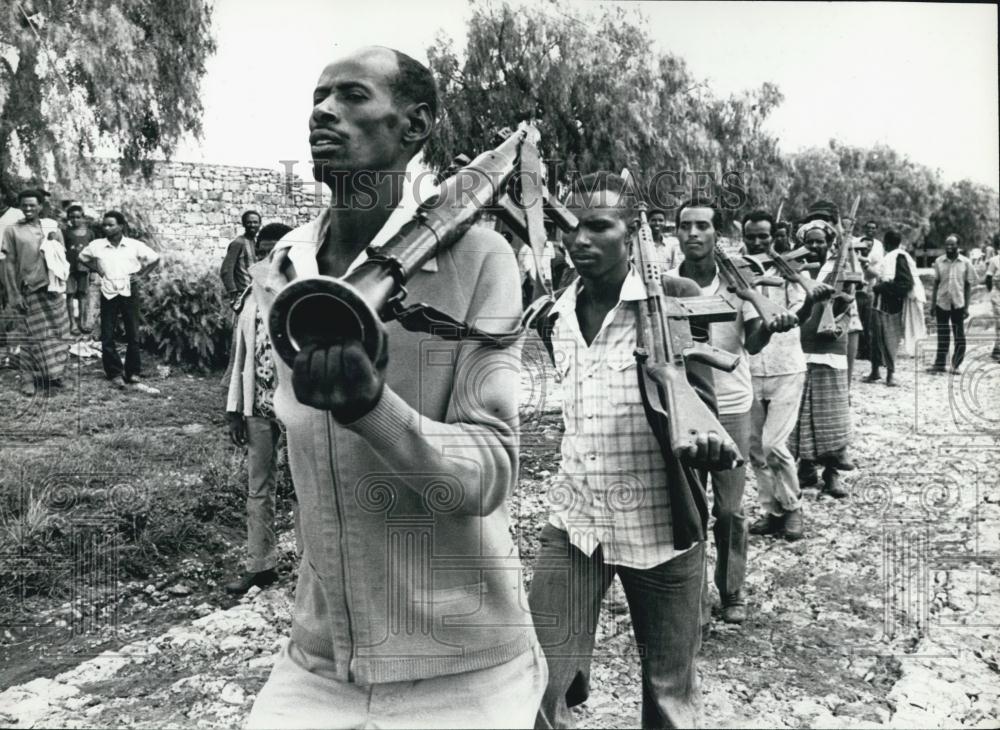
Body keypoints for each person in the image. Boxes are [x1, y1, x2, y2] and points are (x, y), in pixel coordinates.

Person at [244, 47, 545, 729]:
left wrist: (371, 408)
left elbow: (489, 471)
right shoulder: (285, 265)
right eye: (318, 97)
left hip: (461, 670)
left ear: (415, 126)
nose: (323, 110)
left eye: (351, 96)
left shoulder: (479, 260)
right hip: (320, 662)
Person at [528, 172, 739, 729]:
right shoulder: (555, 314)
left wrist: (707, 448)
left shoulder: (672, 303)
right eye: (568, 227)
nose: (579, 240)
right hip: (575, 523)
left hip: (661, 525)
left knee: (669, 690)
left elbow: (703, 407)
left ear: (632, 234)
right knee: (537, 681)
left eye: (598, 226)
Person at [668, 199, 798, 626]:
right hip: (684, 406)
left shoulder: (735, 281)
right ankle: (693, 594)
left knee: (728, 508)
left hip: (733, 406)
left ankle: (732, 589)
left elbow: (754, 343)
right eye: (685, 226)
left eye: (702, 226)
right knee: (689, 507)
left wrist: (769, 323)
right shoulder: (665, 284)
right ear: (677, 233)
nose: (693, 234)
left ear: (716, 234)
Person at [225, 222, 297, 595]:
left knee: (304, 488)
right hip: (258, 403)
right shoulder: (251, 294)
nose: (270, 255)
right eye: (263, 248)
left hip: (298, 407)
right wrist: (235, 408)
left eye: (277, 248)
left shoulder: (302, 289)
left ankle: (314, 569)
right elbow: (241, 355)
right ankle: (261, 564)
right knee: (259, 487)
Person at [742, 211, 812, 541]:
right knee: (756, 448)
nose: (757, 242)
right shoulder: (738, 271)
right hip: (751, 368)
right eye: (751, 236)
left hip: (787, 366)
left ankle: (793, 508)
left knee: (774, 443)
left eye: (763, 237)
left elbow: (803, 307)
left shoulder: (789, 270)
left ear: (774, 237)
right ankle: (771, 510)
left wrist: (786, 317)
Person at [791, 219, 855, 499]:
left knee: (831, 413)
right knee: (801, 412)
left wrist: (839, 307)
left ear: (830, 244)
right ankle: (805, 467)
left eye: (820, 241)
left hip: (831, 346)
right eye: (810, 241)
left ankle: (832, 472)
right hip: (799, 346)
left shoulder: (839, 270)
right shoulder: (794, 271)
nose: (815, 246)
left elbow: (848, 302)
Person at [77, 211, 160, 389]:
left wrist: (141, 276)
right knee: (107, 334)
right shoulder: (97, 245)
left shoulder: (133, 245)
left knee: (133, 333)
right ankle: (114, 372)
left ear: (121, 226)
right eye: (104, 225)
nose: (106, 228)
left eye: (111, 224)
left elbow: (155, 258)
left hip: (130, 290)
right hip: (108, 291)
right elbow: (82, 258)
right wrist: (98, 270)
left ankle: (133, 372)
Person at [1, 189, 71, 396]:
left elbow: (61, 258)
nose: (28, 208)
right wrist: (14, 293)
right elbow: (10, 263)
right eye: (25, 205)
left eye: (33, 205)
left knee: (58, 333)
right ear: (20, 206)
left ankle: (56, 376)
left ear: (41, 206)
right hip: (28, 290)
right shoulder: (12, 230)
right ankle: (27, 379)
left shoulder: (52, 227)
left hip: (52, 290)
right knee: (29, 335)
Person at [864, 229, 917, 386]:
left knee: (890, 339)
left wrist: (882, 288)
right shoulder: (890, 258)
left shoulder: (899, 258)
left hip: (891, 305)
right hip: (880, 303)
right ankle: (875, 372)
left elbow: (905, 284)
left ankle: (890, 375)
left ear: (886, 243)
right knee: (875, 338)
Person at [928, 235, 976, 374]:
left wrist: (967, 306)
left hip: (958, 303)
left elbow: (968, 286)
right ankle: (940, 363)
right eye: (947, 245)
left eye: (952, 245)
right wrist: (932, 305)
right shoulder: (939, 261)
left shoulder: (966, 263)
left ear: (958, 246)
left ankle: (956, 365)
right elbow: (936, 283)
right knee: (942, 334)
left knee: (959, 335)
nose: (949, 247)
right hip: (942, 303)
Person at [63, 204, 95, 335]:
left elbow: (94, 254)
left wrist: (93, 271)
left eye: (78, 217)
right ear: (68, 219)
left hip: (84, 268)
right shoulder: (65, 233)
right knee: (70, 294)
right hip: (69, 269)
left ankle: (82, 322)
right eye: (72, 217)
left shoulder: (90, 233)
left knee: (83, 294)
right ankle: (72, 324)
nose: (75, 220)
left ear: (83, 218)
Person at [219, 210, 262, 305]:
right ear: (244, 224)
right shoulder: (238, 243)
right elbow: (226, 270)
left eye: (255, 222)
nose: (252, 225)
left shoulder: (256, 243)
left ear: (260, 224)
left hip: (257, 294)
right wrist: (233, 291)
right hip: (244, 294)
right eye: (249, 222)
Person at [986, 247, 1000, 361]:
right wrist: (992, 292)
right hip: (998, 295)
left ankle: (997, 349)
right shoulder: (995, 260)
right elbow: (988, 278)